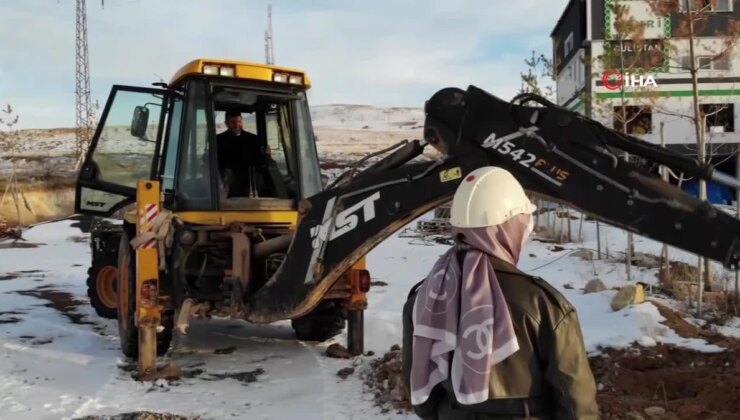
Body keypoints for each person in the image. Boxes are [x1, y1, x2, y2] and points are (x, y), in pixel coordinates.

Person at [402, 166, 598, 420]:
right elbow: (576, 404)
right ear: (509, 229)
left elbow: (420, 393)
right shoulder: (541, 303)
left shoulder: (426, 296)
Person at [216, 110, 271, 196]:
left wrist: (267, 156)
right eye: (233, 122)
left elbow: (260, 162)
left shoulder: (253, 139)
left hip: (250, 183)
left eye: (239, 121)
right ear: (226, 123)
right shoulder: (218, 140)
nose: (236, 125)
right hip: (227, 185)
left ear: (242, 121)